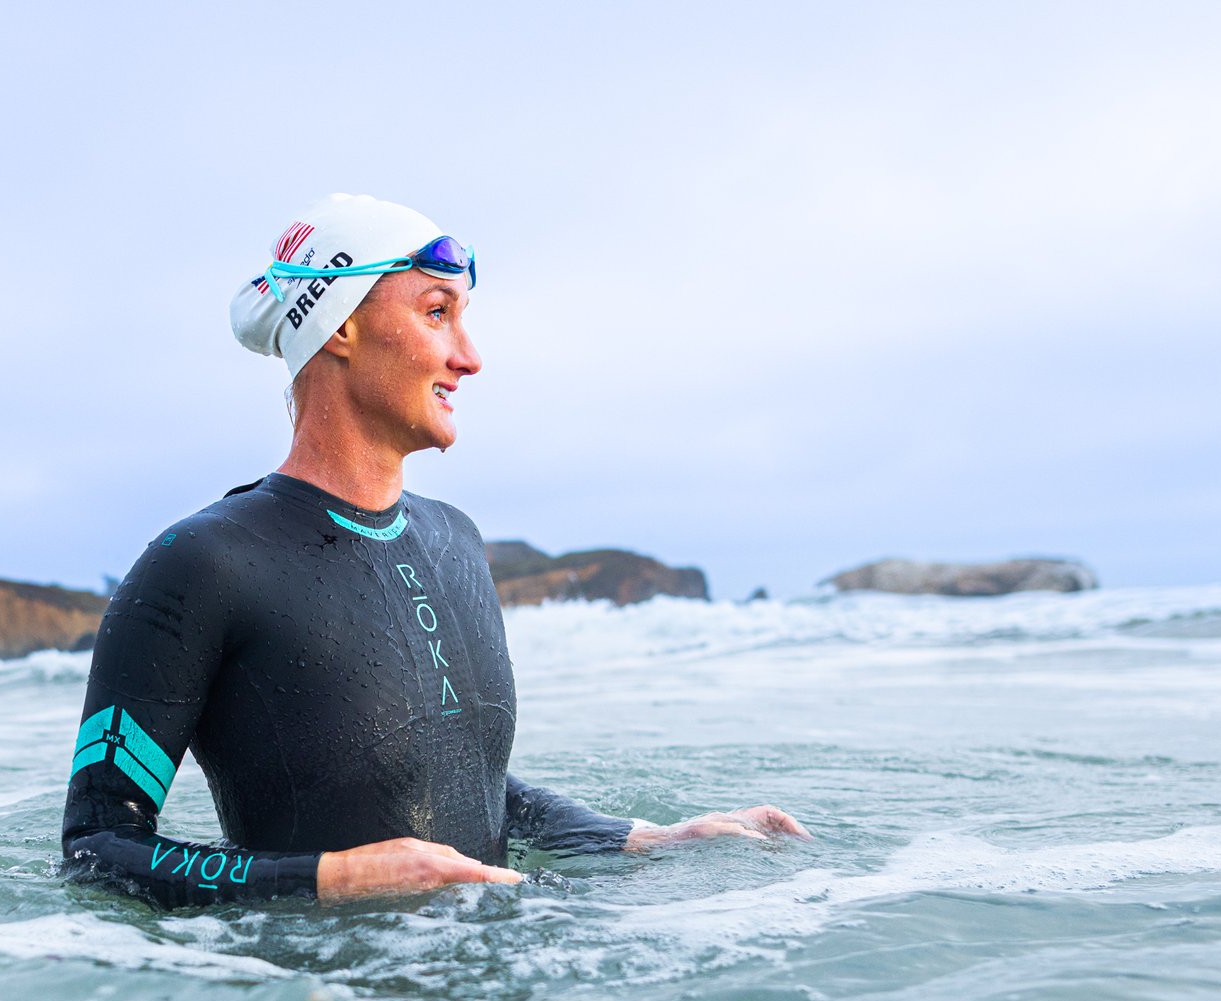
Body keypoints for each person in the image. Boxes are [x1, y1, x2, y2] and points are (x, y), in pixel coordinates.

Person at [61, 193, 805, 908]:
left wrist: (645, 838)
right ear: (341, 326)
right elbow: (98, 848)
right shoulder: (204, 563)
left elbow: (468, 786)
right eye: (436, 313)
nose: (470, 357)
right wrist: (335, 879)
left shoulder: (455, 539)